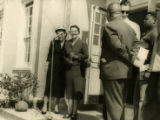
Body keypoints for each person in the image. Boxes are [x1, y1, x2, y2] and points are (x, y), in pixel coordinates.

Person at [100, 2, 138, 120]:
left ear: (109, 13)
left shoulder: (109, 26)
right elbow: (137, 46)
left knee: (114, 106)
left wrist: (129, 58)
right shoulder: (130, 29)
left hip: (112, 72)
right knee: (121, 104)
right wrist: (132, 59)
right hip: (126, 72)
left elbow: (117, 47)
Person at [133, 13, 158, 120]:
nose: (144, 20)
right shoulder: (147, 33)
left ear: (154, 21)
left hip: (146, 69)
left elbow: (155, 53)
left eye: (147, 19)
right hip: (141, 68)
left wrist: (149, 69)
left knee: (142, 99)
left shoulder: (154, 34)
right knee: (137, 98)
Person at [63, 25, 88, 120]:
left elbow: (86, 55)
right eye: (71, 31)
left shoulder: (83, 43)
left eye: (75, 31)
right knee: (68, 92)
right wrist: (66, 59)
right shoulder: (67, 43)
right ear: (70, 32)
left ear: (78, 32)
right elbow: (64, 55)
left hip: (78, 69)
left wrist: (77, 57)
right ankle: (69, 112)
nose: (73, 32)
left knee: (76, 92)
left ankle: (74, 113)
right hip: (68, 70)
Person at [42, 27, 67, 114]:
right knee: (49, 85)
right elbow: (49, 54)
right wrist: (47, 64)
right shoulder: (53, 42)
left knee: (60, 87)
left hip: (63, 68)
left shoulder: (68, 43)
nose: (60, 35)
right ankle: (45, 105)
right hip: (53, 66)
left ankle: (56, 106)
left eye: (61, 33)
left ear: (65, 34)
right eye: (58, 33)